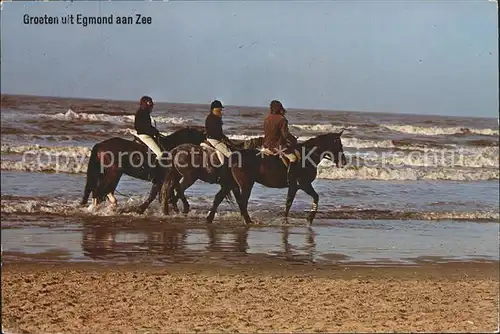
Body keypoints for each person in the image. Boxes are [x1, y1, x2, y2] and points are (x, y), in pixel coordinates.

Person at [263, 100, 299, 185]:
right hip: (277, 147)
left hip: (266, 146)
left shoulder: (266, 118)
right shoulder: (282, 119)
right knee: (293, 158)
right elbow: (285, 135)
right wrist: (293, 139)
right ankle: (291, 178)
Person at [134, 96, 164, 163]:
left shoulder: (143, 112)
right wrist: (154, 131)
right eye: (151, 105)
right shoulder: (143, 113)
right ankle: (154, 170)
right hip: (145, 136)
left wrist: (154, 131)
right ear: (147, 104)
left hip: (144, 134)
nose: (152, 107)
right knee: (160, 154)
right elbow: (143, 127)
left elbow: (146, 126)